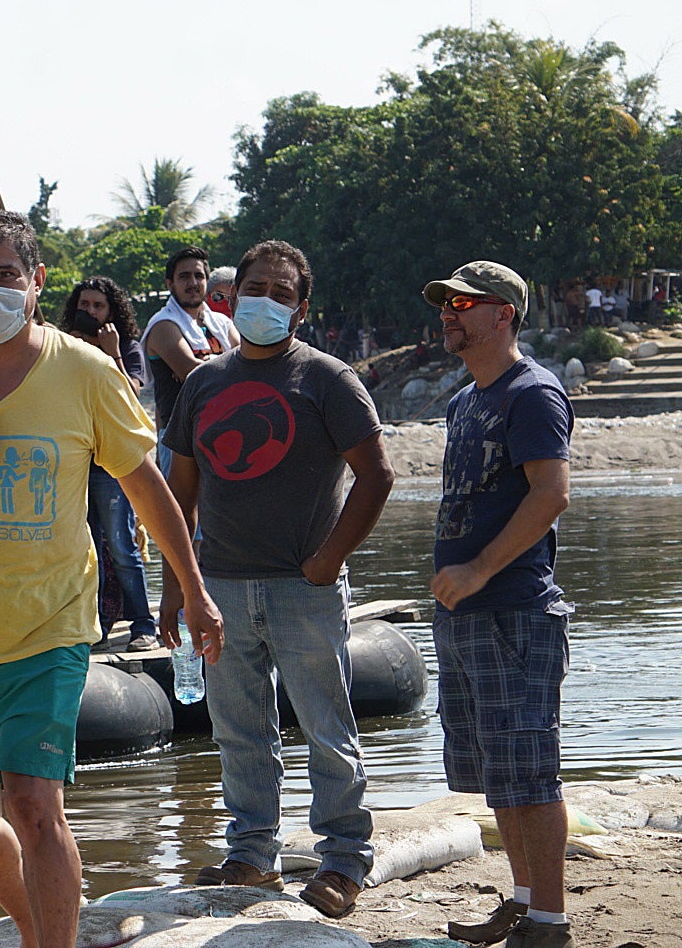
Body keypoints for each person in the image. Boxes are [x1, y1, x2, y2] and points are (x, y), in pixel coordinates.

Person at [0, 209, 222, 948]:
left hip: (47, 625)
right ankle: (38, 929)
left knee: (32, 801)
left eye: (5, 278)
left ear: (36, 282)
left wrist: (193, 588)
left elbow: (145, 485)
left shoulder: (83, 371)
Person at [160, 239, 394, 918]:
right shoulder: (204, 382)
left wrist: (331, 558)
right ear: (232, 300)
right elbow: (180, 492)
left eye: (282, 292)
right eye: (255, 287)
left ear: (302, 307)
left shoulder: (326, 379)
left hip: (305, 589)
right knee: (238, 730)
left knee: (328, 727)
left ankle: (344, 860)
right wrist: (179, 584)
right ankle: (251, 855)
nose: (266, 300)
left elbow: (376, 476)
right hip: (223, 589)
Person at [423, 262, 575, 948]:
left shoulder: (532, 393)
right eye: (445, 305)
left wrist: (481, 569)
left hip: (514, 610)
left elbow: (552, 494)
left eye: (462, 303)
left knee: (530, 771)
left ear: (503, 313)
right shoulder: (464, 402)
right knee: (497, 774)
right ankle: (520, 902)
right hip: (464, 616)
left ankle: (550, 922)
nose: (448, 314)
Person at [59, 276, 158, 651]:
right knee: (87, 549)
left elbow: (130, 395)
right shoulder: (64, 347)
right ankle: (97, 623)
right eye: (84, 305)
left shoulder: (128, 347)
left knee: (121, 547)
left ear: (112, 312)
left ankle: (143, 625)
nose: (90, 312)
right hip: (75, 461)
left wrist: (111, 351)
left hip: (113, 465)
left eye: (98, 306)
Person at [143, 246, 239, 463]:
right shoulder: (163, 325)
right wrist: (222, 363)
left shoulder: (221, 323)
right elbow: (193, 373)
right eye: (184, 277)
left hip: (223, 433)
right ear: (170, 284)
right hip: (181, 442)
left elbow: (247, 367)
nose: (193, 283)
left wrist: (208, 363)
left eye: (199, 276)